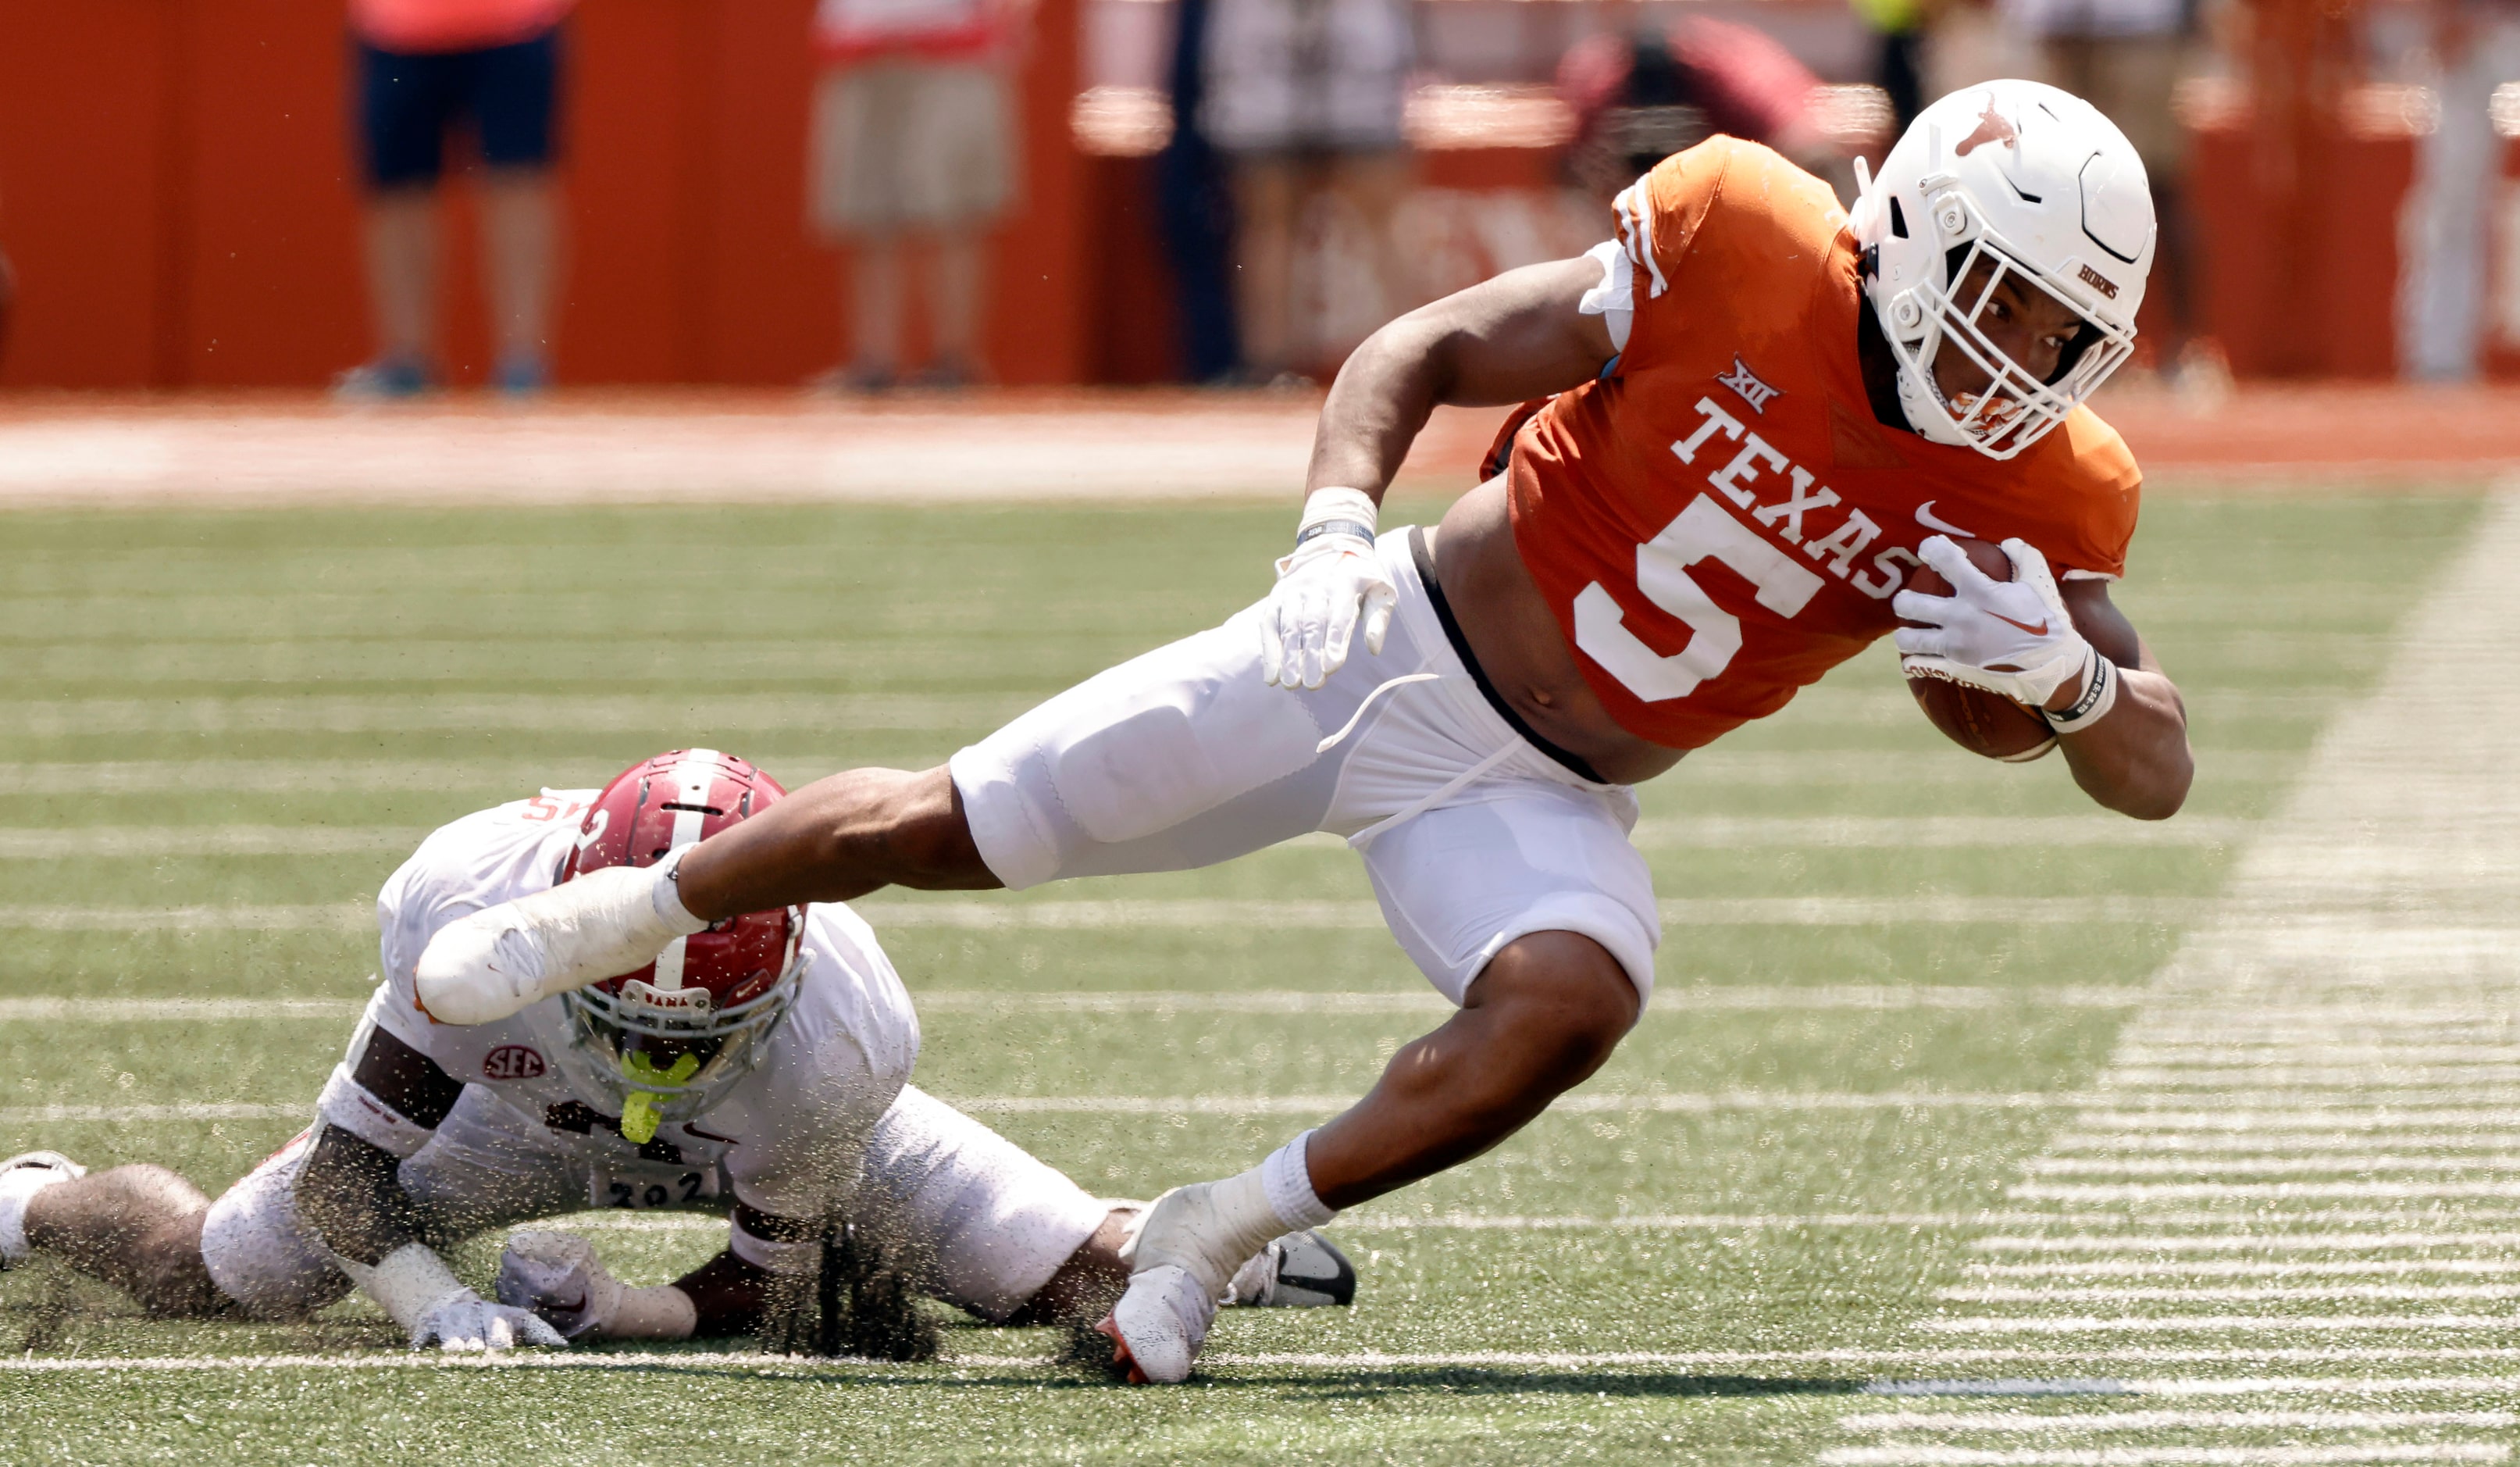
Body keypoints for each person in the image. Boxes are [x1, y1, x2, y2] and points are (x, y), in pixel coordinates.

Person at [412, 80, 2194, 1382]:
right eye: (2011, 303)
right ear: (1922, 238)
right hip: (1381, 645)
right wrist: (1339, 523)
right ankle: (625, 913)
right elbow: (1422, 348)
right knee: (945, 826)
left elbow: (2156, 770)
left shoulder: (2044, 486)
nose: (2025, 362)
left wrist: (2075, 681)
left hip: (1543, 790)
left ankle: (1212, 1226)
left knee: (1573, 1001)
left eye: (2067, 335)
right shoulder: (1745, 233)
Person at [0, 751, 1350, 1351]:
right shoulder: (470, 908)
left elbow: (768, 1290)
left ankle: (1191, 1236)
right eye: (630, 1022)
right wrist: (431, 1300)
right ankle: (29, 1194)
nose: (657, 1063)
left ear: (781, 969)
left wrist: (626, 1311)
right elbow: (343, 1177)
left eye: (691, 1034)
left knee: (1072, 1286)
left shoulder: (842, 1028)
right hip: (507, 1115)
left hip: (764, 1128)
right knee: (217, 1272)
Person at [334, 0, 572, 400]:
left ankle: (524, 365)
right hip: (394, 26)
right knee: (398, 193)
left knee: (518, 185)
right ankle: (407, 363)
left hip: (515, 21)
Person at [807, 0, 1024, 392]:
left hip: (954, 49)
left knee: (953, 209)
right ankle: (874, 360)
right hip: (859, 48)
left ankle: (955, 359)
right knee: (867, 210)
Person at [1202, 0, 1418, 380]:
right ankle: (1418, 362)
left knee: (1272, 228)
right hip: (1345, 50)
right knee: (1376, 225)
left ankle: (1268, 372)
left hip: (1276, 52)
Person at [2396, 0, 2520, 381]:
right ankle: (2440, 359)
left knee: (2454, 209)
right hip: (2473, 37)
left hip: (2498, 29)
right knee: (2453, 208)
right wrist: (2443, 17)